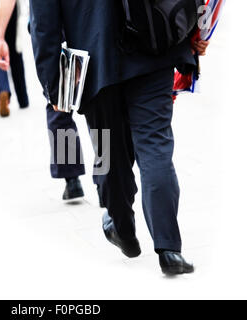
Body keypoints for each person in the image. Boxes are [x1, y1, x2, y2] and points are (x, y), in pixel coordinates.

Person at [30, 0, 207, 275]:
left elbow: (43, 23)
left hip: (95, 61)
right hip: (153, 46)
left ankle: (120, 226)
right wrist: (195, 30)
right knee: (155, 145)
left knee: (106, 151)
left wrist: (54, 86)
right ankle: (169, 248)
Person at [0, 0, 85, 201]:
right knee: (104, 111)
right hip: (90, 24)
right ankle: (107, 181)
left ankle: (72, 179)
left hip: (52, 29)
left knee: (59, 103)